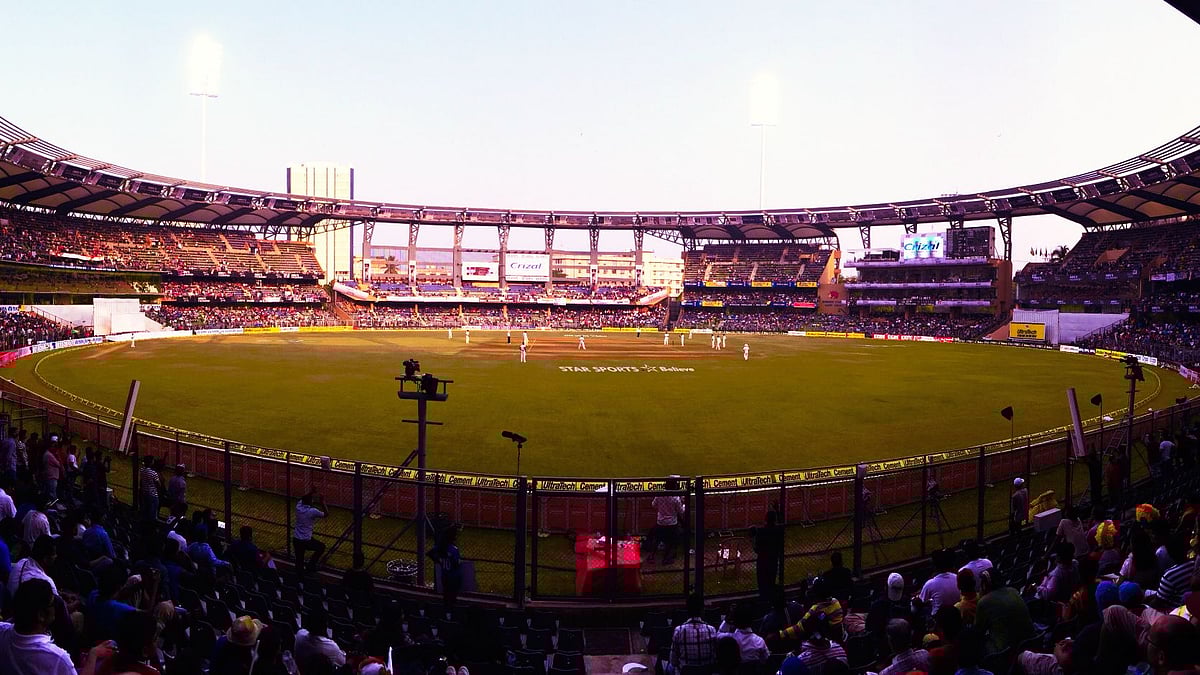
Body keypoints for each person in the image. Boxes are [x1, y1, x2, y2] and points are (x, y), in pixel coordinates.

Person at [0, 579, 75, 675]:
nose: (55, 607)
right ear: (41, 615)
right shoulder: (57, 658)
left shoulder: (2, 631)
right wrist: (93, 655)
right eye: (53, 603)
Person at [974, 569, 1034, 655]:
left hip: (1005, 652)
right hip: (1030, 643)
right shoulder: (1013, 591)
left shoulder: (984, 602)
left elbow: (978, 631)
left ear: (984, 586)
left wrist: (981, 597)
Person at [669, 594, 717, 673]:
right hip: (705, 673)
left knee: (669, 667)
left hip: (685, 672)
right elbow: (715, 658)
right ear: (702, 610)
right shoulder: (711, 630)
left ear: (687, 610)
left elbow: (673, 661)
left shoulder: (679, 631)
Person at [650, 479, 686, 565]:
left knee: (657, 539)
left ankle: (651, 556)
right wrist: (684, 505)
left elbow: (653, 505)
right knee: (671, 541)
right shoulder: (676, 498)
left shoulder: (660, 495)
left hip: (661, 522)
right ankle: (666, 559)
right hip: (671, 523)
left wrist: (662, 510)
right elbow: (681, 511)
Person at [918, 549, 961, 616]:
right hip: (956, 614)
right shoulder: (957, 577)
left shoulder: (930, 583)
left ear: (934, 566)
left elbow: (921, 601)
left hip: (939, 618)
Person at [427, 527, 463, 608]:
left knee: (446, 596)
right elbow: (456, 564)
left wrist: (439, 561)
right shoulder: (454, 549)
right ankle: (451, 613)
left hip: (445, 576)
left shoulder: (439, 547)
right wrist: (452, 559)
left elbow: (429, 553)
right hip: (454, 577)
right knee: (453, 598)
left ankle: (447, 613)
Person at [293, 491, 327, 575]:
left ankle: (299, 579)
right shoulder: (312, 511)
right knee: (321, 547)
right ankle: (311, 565)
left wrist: (312, 491)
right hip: (306, 540)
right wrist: (322, 502)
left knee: (299, 561)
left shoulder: (298, 507)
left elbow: (303, 498)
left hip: (296, 539)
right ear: (310, 502)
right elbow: (326, 514)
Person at [752, 511, 784, 599]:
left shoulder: (761, 531)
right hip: (773, 560)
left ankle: (764, 600)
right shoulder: (778, 530)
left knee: (762, 584)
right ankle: (770, 600)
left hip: (763, 561)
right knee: (771, 581)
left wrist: (753, 538)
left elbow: (756, 549)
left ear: (765, 518)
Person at [139, 455, 160, 523]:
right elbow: (158, 484)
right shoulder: (154, 473)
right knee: (153, 511)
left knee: (146, 509)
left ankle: (146, 522)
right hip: (153, 494)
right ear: (151, 462)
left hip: (145, 492)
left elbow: (141, 481)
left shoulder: (142, 470)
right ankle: (151, 524)